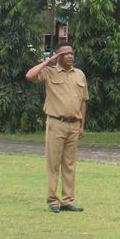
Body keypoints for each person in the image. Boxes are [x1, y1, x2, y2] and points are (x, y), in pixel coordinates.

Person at [25, 45, 89, 213]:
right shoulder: (49, 72)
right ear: (58, 56)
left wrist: (82, 125)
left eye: (72, 53)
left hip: (74, 124)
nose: (70, 56)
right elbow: (30, 75)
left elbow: (83, 101)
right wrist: (48, 61)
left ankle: (67, 200)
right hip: (56, 123)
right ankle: (53, 200)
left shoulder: (79, 74)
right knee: (53, 163)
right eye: (66, 53)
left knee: (69, 164)